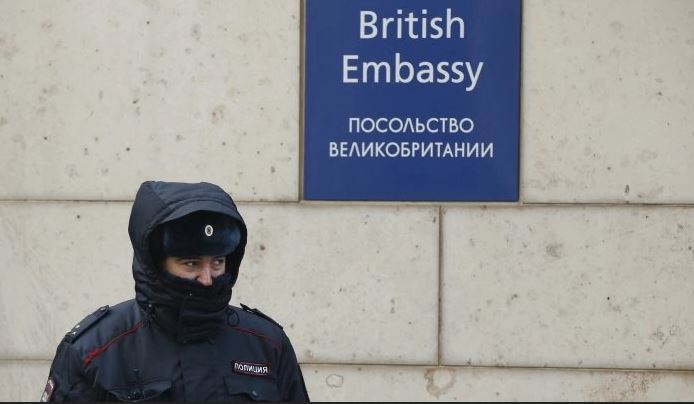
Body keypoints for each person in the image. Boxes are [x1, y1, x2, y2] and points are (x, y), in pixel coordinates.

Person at [40, 181, 310, 402]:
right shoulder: (95, 350)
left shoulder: (267, 344)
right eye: (191, 263)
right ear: (155, 264)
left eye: (217, 262)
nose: (207, 278)